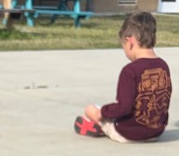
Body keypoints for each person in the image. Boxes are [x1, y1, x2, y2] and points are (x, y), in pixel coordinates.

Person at [74, 11, 172, 141]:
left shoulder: (130, 71)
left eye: (124, 47)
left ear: (129, 41)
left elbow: (124, 107)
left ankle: (94, 125)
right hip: (155, 133)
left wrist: (101, 112)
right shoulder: (163, 66)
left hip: (127, 133)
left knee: (91, 109)